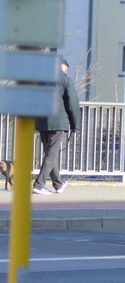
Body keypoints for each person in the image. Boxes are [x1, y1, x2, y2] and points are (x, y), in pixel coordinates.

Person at [33, 59, 80, 195]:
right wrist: (75, 125)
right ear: (62, 67)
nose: (66, 72)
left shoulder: (41, 80)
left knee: (50, 154)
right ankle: (39, 184)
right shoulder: (65, 81)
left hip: (42, 122)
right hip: (58, 123)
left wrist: (35, 123)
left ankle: (58, 184)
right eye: (66, 69)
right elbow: (72, 104)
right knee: (51, 154)